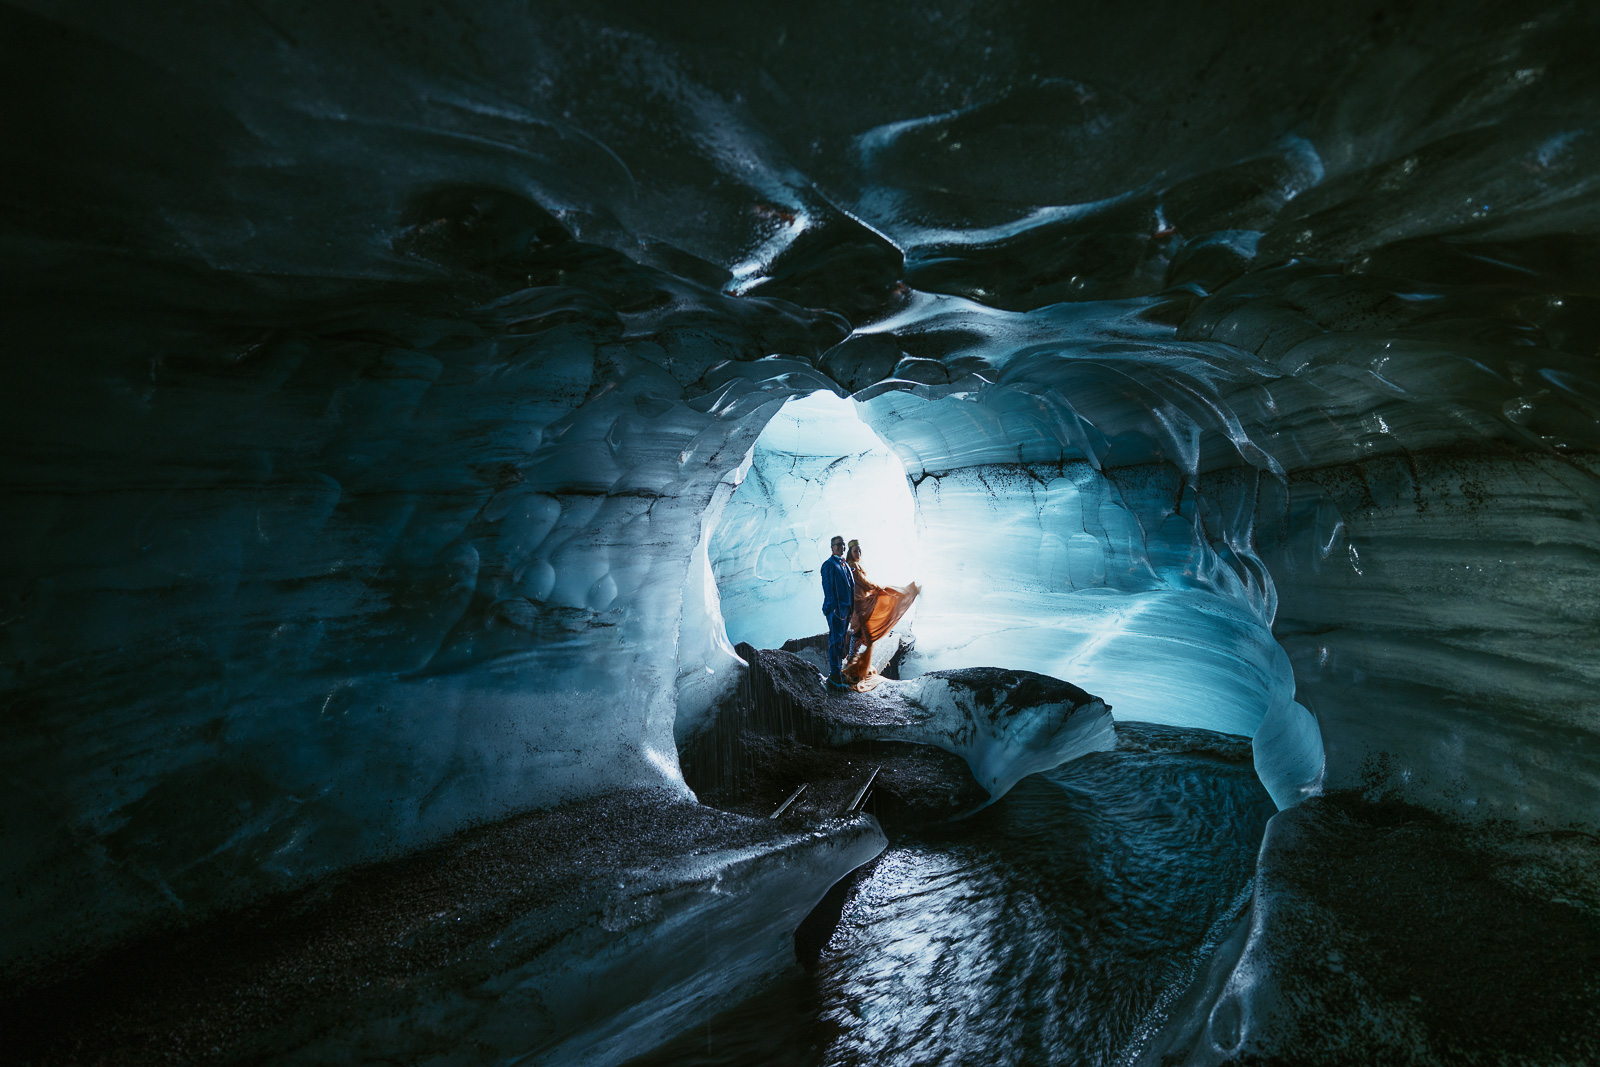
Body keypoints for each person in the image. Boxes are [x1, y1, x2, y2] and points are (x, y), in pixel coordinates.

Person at [841, 539, 920, 688]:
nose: (858, 553)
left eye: (859, 551)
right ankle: (853, 662)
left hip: (859, 602)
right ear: (850, 553)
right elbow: (865, 583)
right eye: (855, 551)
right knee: (861, 632)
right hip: (859, 603)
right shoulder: (853, 566)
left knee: (861, 631)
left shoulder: (853, 565)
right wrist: (880, 588)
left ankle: (853, 660)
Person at [820, 534, 854, 689]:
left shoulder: (845, 565)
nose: (841, 547)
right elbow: (828, 588)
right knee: (835, 641)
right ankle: (834, 676)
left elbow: (850, 587)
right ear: (832, 547)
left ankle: (838, 673)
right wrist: (834, 609)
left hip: (846, 609)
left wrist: (851, 608)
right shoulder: (829, 564)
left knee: (841, 641)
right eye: (838, 545)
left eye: (843, 544)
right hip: (836, 610)